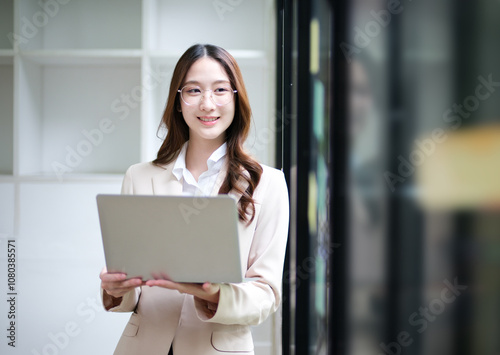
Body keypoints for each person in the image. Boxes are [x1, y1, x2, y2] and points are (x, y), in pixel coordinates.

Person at [99, 44, 289, 355]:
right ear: (178, 101)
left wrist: (215, 294)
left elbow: (266, 296)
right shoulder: (139, 176)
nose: (207, 103)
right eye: (193, 90)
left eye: (220, 90)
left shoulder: (267, 184)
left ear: (236, 97)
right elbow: (130, 285)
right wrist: (116, 289)